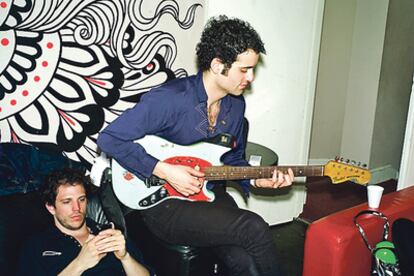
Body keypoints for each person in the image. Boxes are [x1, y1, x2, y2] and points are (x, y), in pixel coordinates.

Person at [97, 15, 294, 276]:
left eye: (253, 69)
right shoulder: (170, 100)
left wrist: (256, 181)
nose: (251, 77)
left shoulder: (236, 106)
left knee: (243, 257)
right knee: (253, 226)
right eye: (244, 69)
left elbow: (233, 160)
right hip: (164, 202)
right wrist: (164, 170)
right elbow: (109, 138)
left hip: (211, 194)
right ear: (217, 65)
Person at [17, 168, 151, 276]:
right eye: (67, 202)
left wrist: (125, 257)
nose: (77, 208)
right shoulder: (36, 246)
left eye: (81, 199)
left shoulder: (109, 234)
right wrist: (80, 264)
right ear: (51, 207)